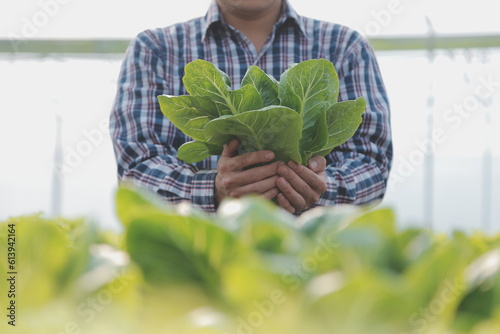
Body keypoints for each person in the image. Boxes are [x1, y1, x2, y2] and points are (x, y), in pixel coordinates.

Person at [110, 0, 393, 214]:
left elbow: (372, 166)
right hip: (198, 262)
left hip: (315, 259)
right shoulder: (155, 49)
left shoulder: (345, 47)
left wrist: (321, 188)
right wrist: (214, 190)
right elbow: (137, 170)